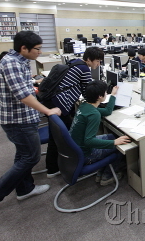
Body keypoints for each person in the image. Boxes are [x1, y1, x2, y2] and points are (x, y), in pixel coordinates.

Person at [0, 31, 62, 212]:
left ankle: (25, 188)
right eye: (37, 49)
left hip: (25, 117)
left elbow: (26, 89)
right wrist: (48, 111)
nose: (40, 52)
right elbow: (23, 96)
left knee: (23, 155)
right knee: (30, 157)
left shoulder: (21, 61)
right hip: (18, 121)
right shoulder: (11, 63)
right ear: (23, 48)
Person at [42, 46, 105, 178]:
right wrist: (102, 98)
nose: (98, 64)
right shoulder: (84, 69)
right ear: (88, 59)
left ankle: (52, 165)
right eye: (97, 61)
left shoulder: (76, 63)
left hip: (54, 101)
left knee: (57, 135)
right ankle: (57, 167)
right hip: (61, 104)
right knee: (62, 137)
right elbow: (89, 93)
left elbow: (83, 89)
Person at [69, 81, 130, 186]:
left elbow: (107, 111)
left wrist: (113, 95)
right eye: (106, 92)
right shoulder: (94, 115)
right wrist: (114, 143)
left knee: (112, 136)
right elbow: (89, 141)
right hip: (85, 154)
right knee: (120, 146)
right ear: (100, 97)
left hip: (75, 148)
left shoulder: (85, 105)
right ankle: (107, 176)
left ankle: (100, 172)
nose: (107, 94)